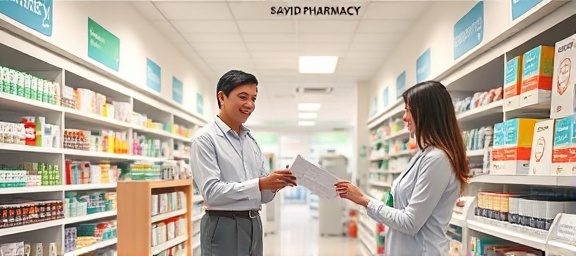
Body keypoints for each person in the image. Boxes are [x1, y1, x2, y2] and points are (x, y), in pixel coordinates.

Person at [335, 81, 469, 256]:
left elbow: (410, 222)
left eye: (408, 110)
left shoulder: (437, 159)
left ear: (426, 112)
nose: (404, 117)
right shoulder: (423, 154)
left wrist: (363, 199)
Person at [191, 70, 297, 256]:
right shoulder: (205, 139)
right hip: (223, 225)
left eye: (254, 98)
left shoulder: (250, 141)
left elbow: (262, 197)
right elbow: (211, 193)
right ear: (222, 97)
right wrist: (261, 184)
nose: (249, 104)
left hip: (253, 222)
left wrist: (275, 184)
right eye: (243, 97)